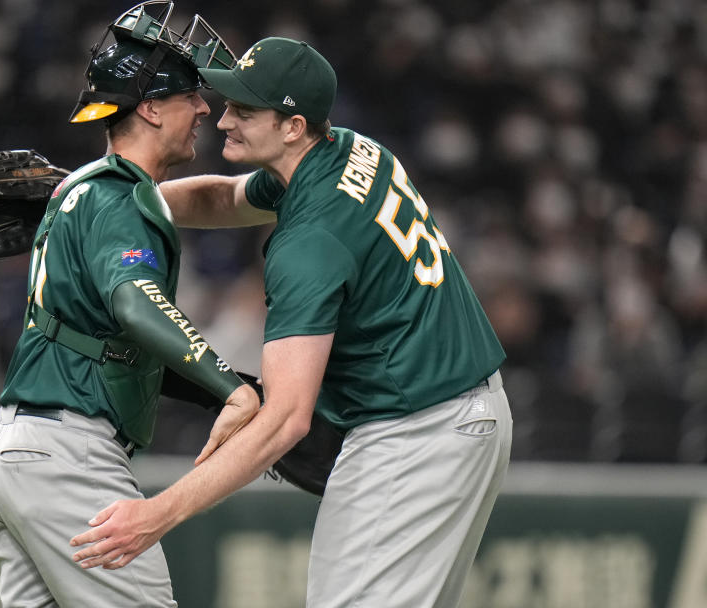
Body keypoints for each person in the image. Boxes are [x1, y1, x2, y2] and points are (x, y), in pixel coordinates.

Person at [70, 36, 513, 608]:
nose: (223, 118)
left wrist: (158, 514)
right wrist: (98, 196)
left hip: (416, 434)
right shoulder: (350, 149)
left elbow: (284, 421)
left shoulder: (309, 242)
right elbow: (226, 199)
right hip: (458, 414)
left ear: (293, 126)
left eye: (245, 111)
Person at [0, 1, 260, 607]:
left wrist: (225, 384)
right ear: (151, 107)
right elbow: (136, 304)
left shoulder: (83, 192)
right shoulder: (122, 197)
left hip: (14, 448)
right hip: (67, 455)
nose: (205, 108)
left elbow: (119, 346)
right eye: (190, 96)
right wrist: (230, 387)